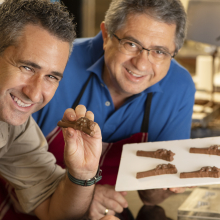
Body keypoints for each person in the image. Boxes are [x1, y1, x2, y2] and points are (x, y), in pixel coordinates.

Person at [33, 0, 196, 219]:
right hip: (28, 203)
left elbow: (150, 198)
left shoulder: (179, 86)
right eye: (131, 44)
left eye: (159, 51)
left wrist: (169, 181)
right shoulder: (58, 61)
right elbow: (11, 156)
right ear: (106, 35)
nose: (141, 64)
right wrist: (81, 193)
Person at [0, 0, 119, 220]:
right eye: (27, 67)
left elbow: (53, 209)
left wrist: (82, 174)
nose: (35, 94)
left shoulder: (15, 127)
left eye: (51, 77)